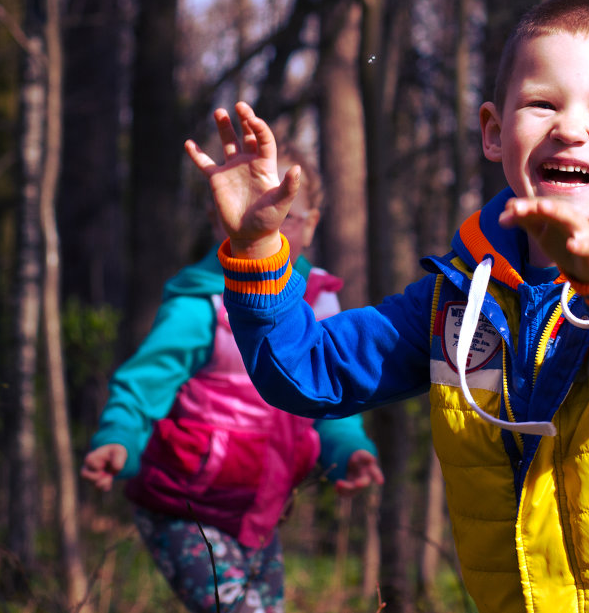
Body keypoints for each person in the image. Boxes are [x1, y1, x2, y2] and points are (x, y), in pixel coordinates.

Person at [185, 0, 589, 613]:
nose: (571, 127)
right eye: (542, 103)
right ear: (495, 132)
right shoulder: (455, 302)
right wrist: (258, 248)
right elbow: (307, 372)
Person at [80, 150, 384, 613]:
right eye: (251, 213)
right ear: (218, 215)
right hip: (183, 508)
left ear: (313, 223)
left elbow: (328, 396)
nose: (268, 230)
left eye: (287, 216)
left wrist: (348, 450)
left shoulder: (320, 302)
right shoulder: (202, 303)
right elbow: (145, 383)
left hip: (256, 513)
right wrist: (119, 435)